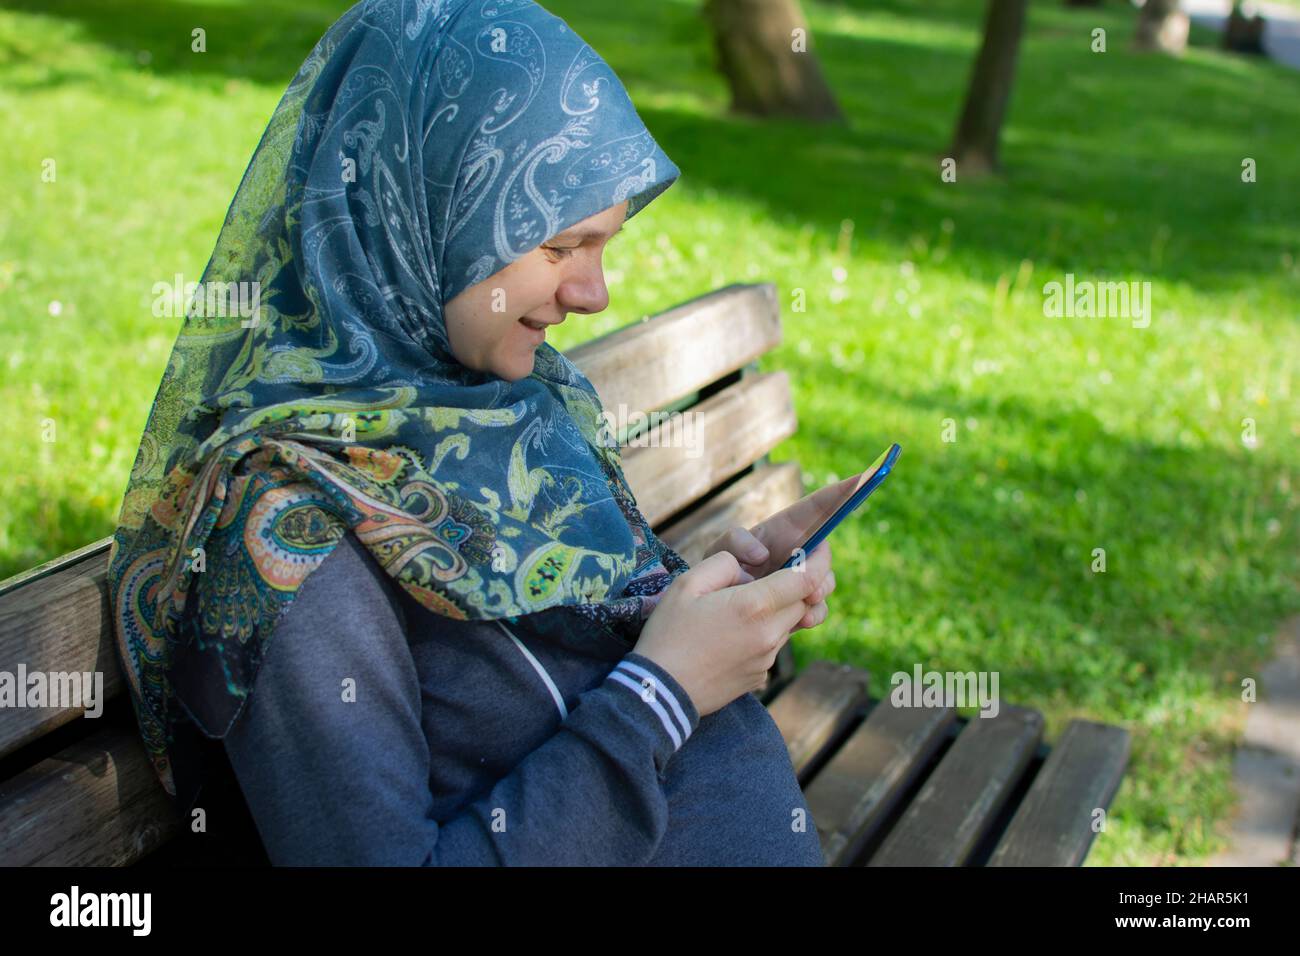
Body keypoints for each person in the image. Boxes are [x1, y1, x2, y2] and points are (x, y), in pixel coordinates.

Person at [107, 0, 847, 867]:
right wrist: (666, 691)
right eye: (563, 246)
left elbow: (547, 661)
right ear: (429, 214)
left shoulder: (509, 405)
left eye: (603, 245)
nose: (593, 293)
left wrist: (713, 601)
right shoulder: (288, 535)